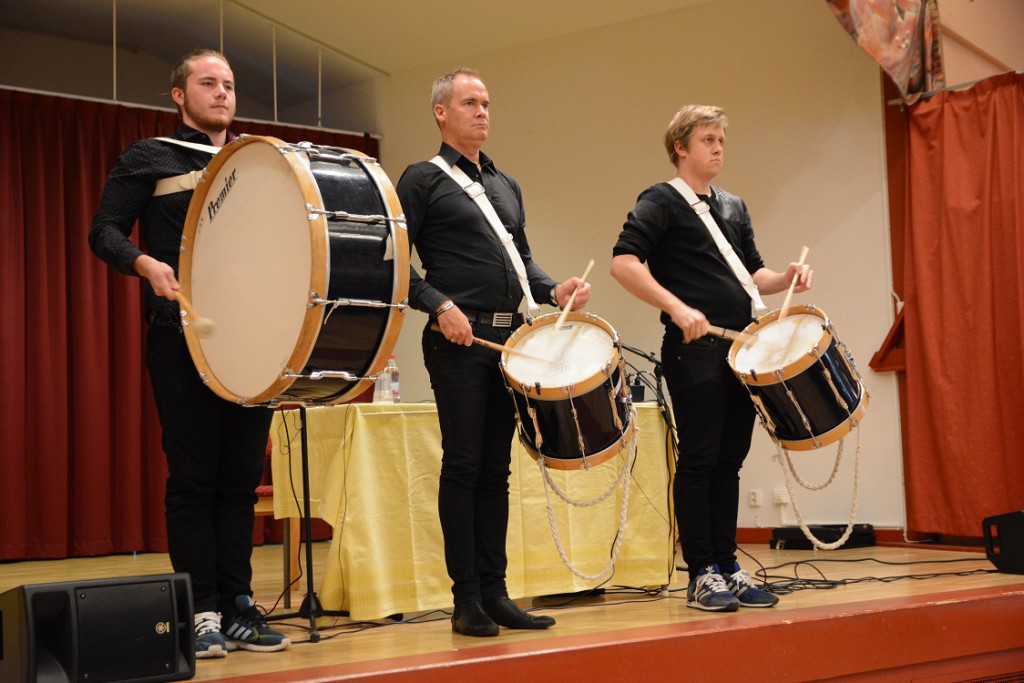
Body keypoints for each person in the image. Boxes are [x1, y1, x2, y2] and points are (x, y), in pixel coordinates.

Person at [89, 48, 290, 657]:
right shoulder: (150, 156)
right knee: (195, 478)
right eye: (209, 83)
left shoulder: (257, 160)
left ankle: (239, 606)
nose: (223, 93)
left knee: (238, 482)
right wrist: (145, 263)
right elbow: (104, 231)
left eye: (229, 84)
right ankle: (199, 609)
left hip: (253, 341)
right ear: (179, 95)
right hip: (181, 335)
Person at [396, 68, 591, 637]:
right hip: (457, 339)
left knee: (496, 472)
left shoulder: (506, 183)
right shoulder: (421, 180)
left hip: (510, 341)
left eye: (486, 103)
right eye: (470, 102)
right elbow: (393, 258)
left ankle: (496, 591)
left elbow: (523, 259)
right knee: (463, 466)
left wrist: (555, 288)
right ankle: (466, 601)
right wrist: (436, 303)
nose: (482, 112)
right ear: (441, 112)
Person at [610, 105, 812, 612]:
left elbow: (754, 276)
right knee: (699, 459)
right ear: (681, 147)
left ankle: (728, 566)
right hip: (694, 351)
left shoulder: (733, 206)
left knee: (730, 461)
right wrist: (677, 309)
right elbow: (623, 262)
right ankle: (700, 572)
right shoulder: (660, 201)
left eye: (722, 138)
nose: (718, 147)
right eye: (707, 139)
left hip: (742, 347)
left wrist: (786, 278)